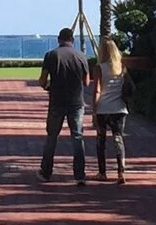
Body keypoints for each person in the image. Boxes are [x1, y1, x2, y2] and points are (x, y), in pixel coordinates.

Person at [35, 26, 89, 184]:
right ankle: (79, 175)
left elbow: (42, 80)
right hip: (76, 103)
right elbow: (86, 82)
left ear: (59, 39)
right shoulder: (81, 56)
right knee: (77, 137)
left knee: (52, 137)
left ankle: (46, 172)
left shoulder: (51, 55)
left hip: (57, 102)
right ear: (72, 40)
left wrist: (48, 86)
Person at [89, 37, 128, 182]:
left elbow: (97, 89)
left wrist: (94, 108)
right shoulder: (122, 67)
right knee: (118, 139)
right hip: (119, 108)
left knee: (101, 140)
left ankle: (102, 172)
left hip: (103, 109)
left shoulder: (99, 67)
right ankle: (121, 172)